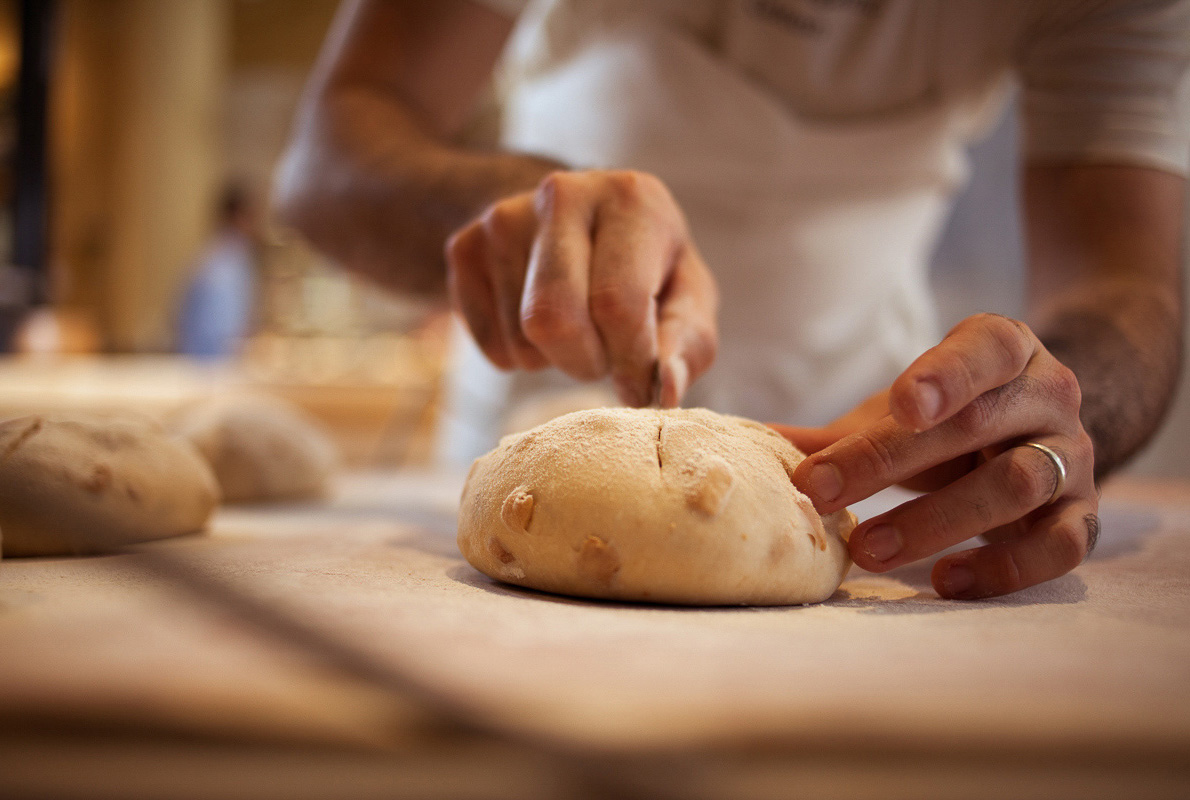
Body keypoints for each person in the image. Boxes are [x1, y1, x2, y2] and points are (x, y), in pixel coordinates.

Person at [274, 0, 1189, 600]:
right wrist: (502, 207)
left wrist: (1051, 409)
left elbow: (1125, 283)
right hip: (543, 424)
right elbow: (324, 163)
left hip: (879, 468)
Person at [177, 186, 260, 359]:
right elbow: (220, 334)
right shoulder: (224, 267)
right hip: (215, 370)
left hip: (209, 366)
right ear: (239, 217)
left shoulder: (216, 257)